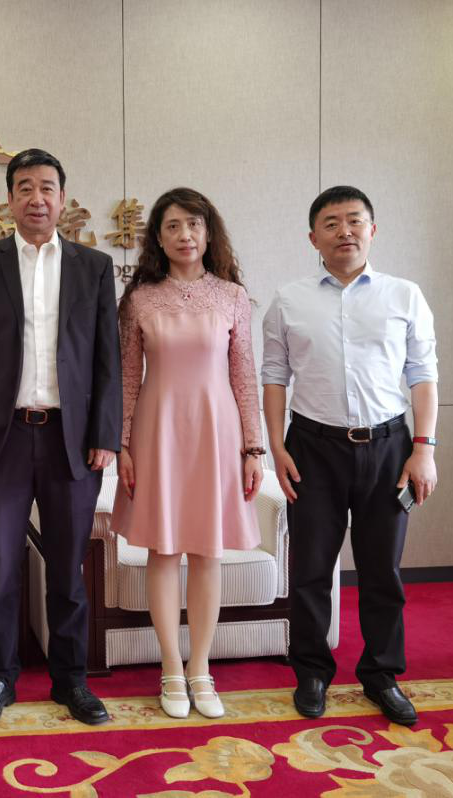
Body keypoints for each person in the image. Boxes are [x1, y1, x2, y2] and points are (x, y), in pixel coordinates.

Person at [261, 185, 438, 726]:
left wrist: (424, 449)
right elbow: (274, 376)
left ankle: (382, 674)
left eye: (355, 220)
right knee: (311, 569)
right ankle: (312, 672)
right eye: (332, 223)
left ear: (372, 230)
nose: (345, 231)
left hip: (389, 448)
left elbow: (423, 374)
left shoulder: (404, 295)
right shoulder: (289, 300)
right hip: (312, 448)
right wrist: (276, 447)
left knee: (383, 570)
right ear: (313, 237)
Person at [0, 148, 122, 729]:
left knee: (67, 568)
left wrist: (106, 433)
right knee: (1, 568)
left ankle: (71, 679)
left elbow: (108, 359)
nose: (36, 198)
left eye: (46, 187)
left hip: (70, 441)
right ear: (9, 199)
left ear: (62, 198)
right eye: (24, 187)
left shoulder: (93, 266)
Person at [111, 188, 264, 719]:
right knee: (163, 551)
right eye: (173, 226)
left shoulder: (233, 296)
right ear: (158, 237)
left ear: (208, 232)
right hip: (157, 431)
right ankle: (171, 667)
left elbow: (243, 375)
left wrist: (253, 447)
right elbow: (127, 378)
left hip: (217, 433)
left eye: (194, 224)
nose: (184, 235)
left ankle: (201, 667)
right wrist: (122, 443)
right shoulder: (139, 299)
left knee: (206, 552)